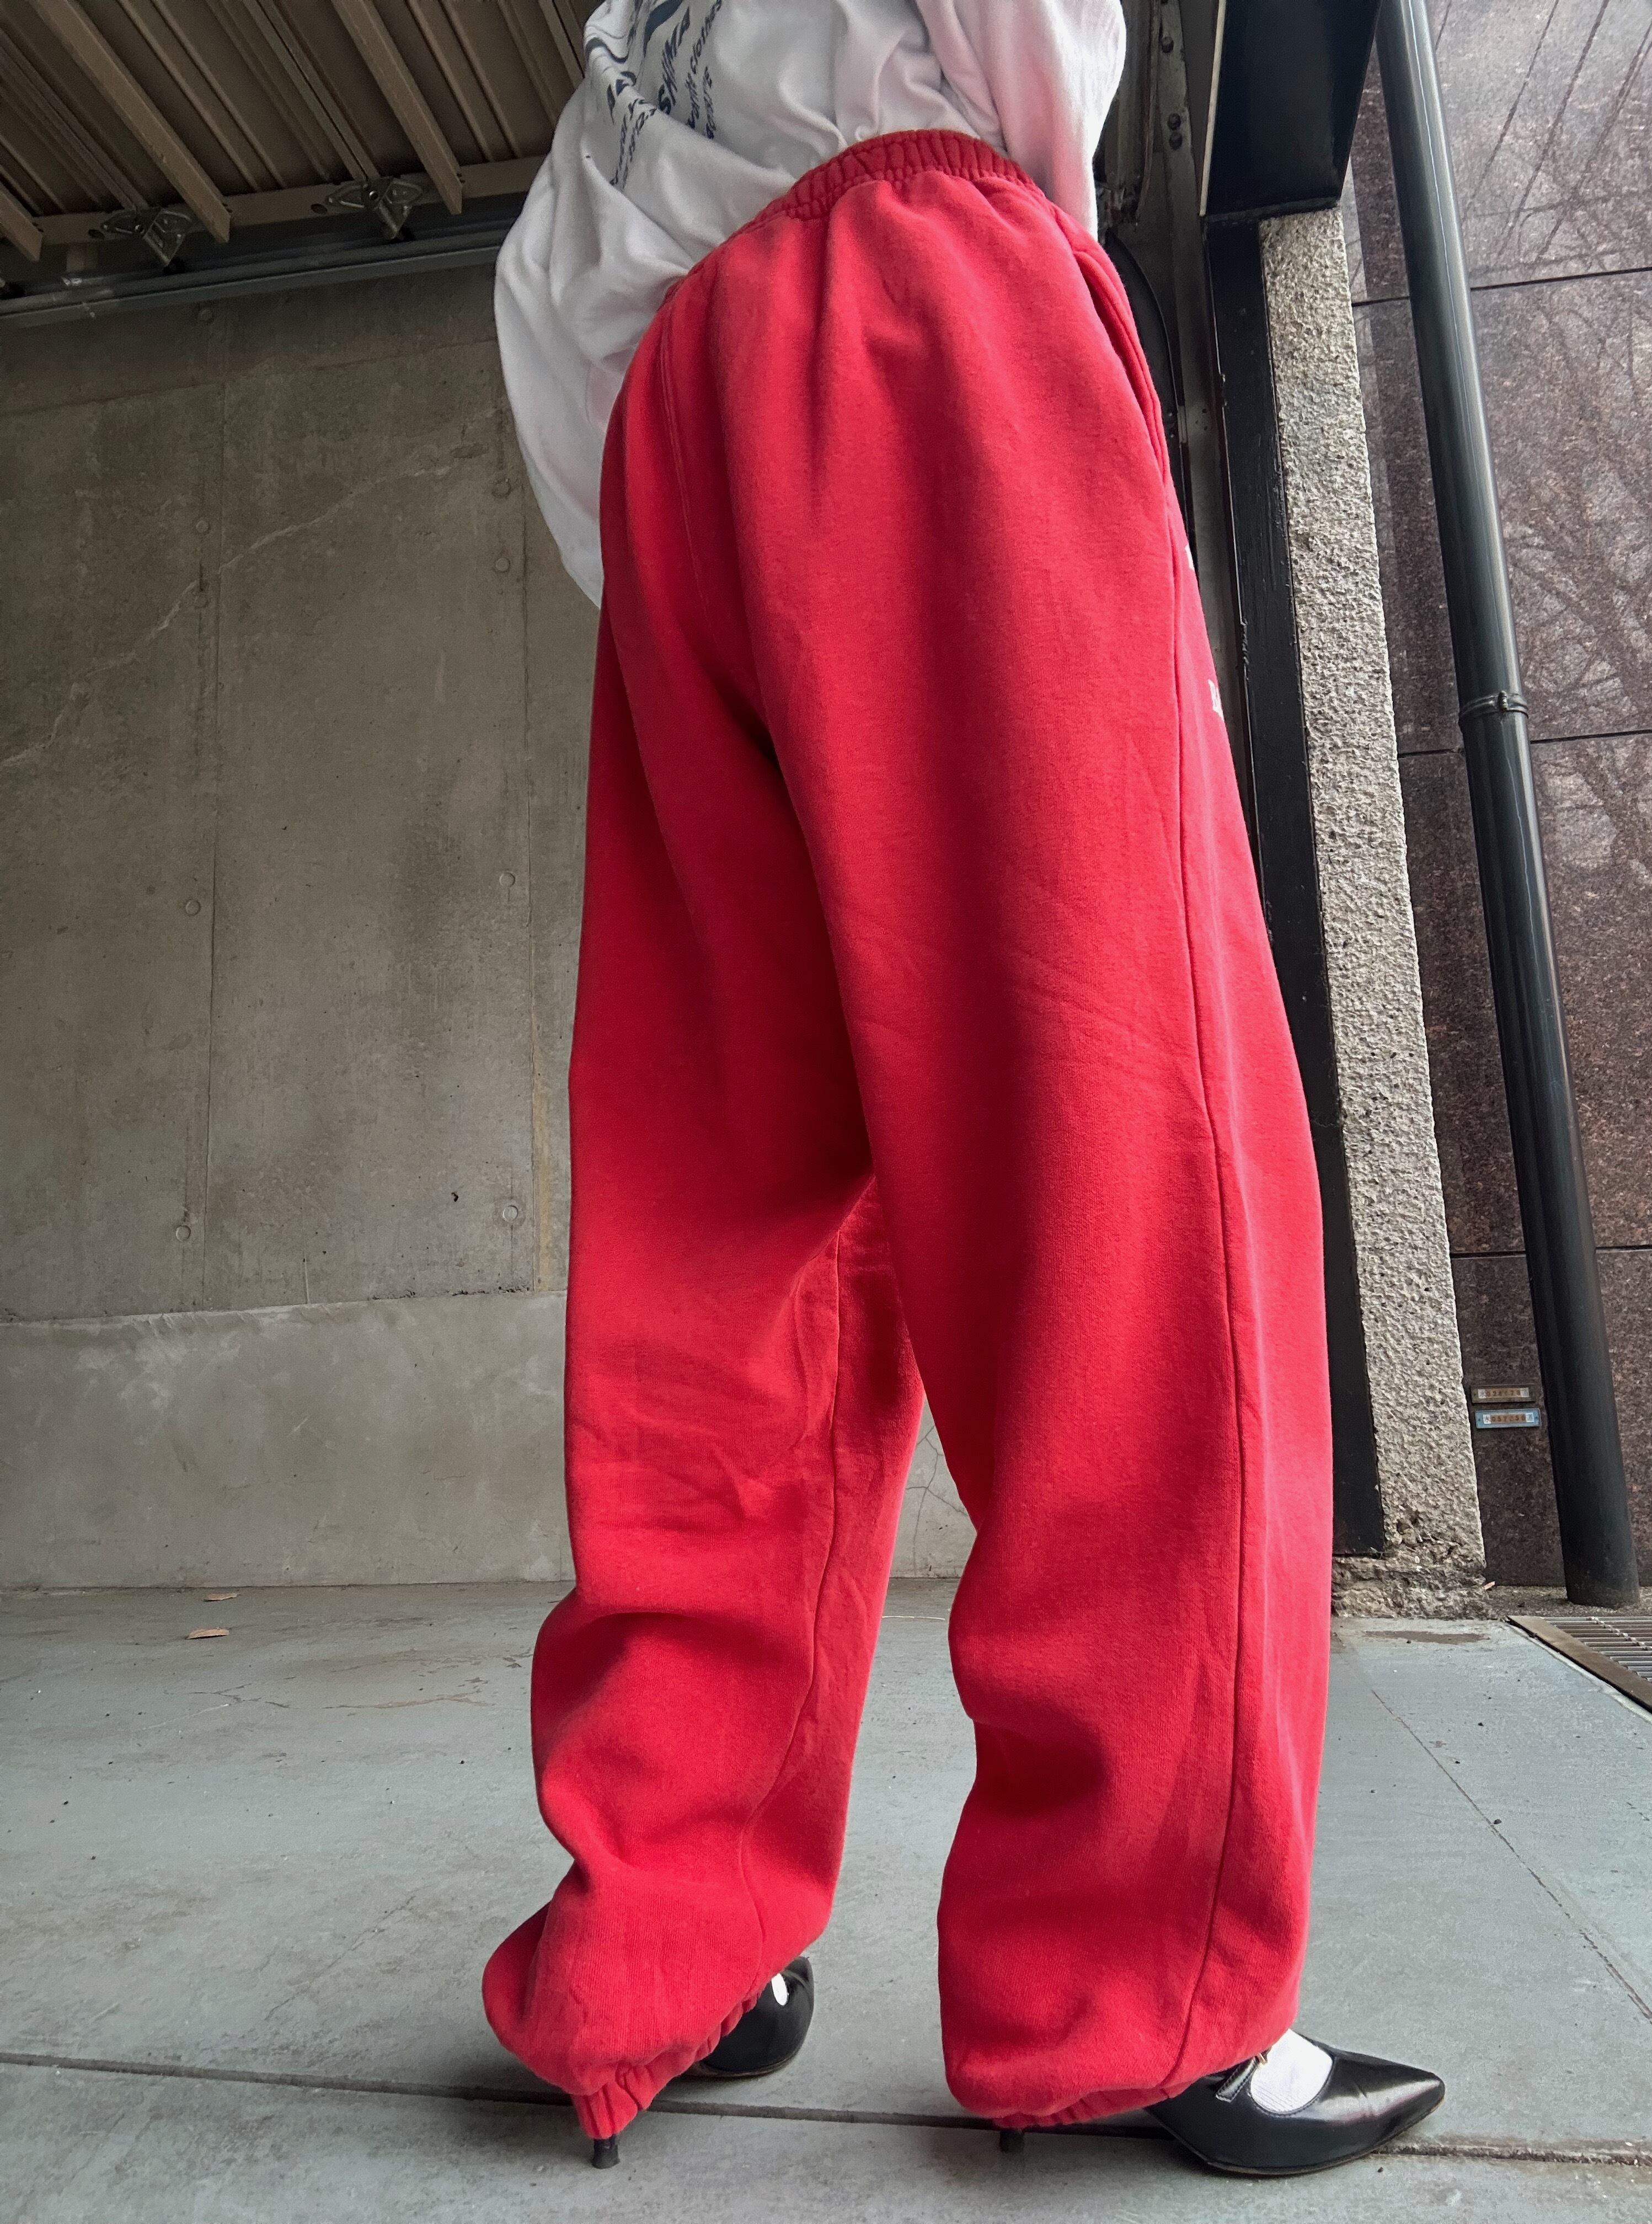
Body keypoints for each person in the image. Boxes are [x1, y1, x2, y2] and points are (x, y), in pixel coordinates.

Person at [483, 0, 1445, 2178]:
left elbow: (542, 297)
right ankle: (1142, 1990)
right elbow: (1021, 55)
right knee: (1126, 1162)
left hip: (665, 428)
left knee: (728, 1245)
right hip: (930, 292)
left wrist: (678, 530)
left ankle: (662, 1947)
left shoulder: (636, 42)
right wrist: (1018, 287)